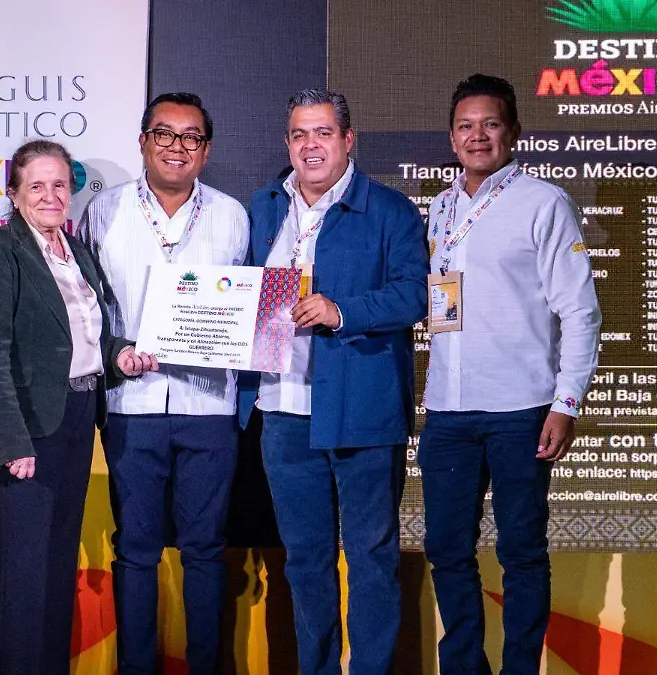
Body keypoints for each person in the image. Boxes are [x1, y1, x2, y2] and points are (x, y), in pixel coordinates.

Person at [236, 88, 429, 675]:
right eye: (299, 134)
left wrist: (341, 311)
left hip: (362, 409)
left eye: (323, 133)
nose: (311, 145)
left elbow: (414, 295)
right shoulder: (265, 206)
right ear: (287, 143)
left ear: (348, 140)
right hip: (282, 409)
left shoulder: (390, 210)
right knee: (304, 560)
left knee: (370, 557)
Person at [419, 74, 601, 675]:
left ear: (514, 132)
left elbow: (580, 311)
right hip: (448, 409)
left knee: (521, 551)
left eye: (490, 124)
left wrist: (565, 403)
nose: (478, 136)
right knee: (447, 550)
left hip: (521, 409)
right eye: (466, 126)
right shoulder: (441, 208)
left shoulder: (544, 202)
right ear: (452, 137)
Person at [78, 92, 249, 675]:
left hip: (210, 405)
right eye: (164, 134)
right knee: (136, 550)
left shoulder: (231, 215)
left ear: (206, 149)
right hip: (132, 405)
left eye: (191, 136)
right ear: (144, 141)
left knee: (206, 550)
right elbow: (90, 308)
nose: (178, 146)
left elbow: (249, 308)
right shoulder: (103, 212)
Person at [0, 139, 136, 674]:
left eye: (59, 184)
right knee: (23, 575)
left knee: (58, 566)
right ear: (14, 194)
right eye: (36, 185)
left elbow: (86, 337)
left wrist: (120, 355)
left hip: (77, 419)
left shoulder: (77, 251)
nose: (50, 195)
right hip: (24, 429)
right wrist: (12, 442)